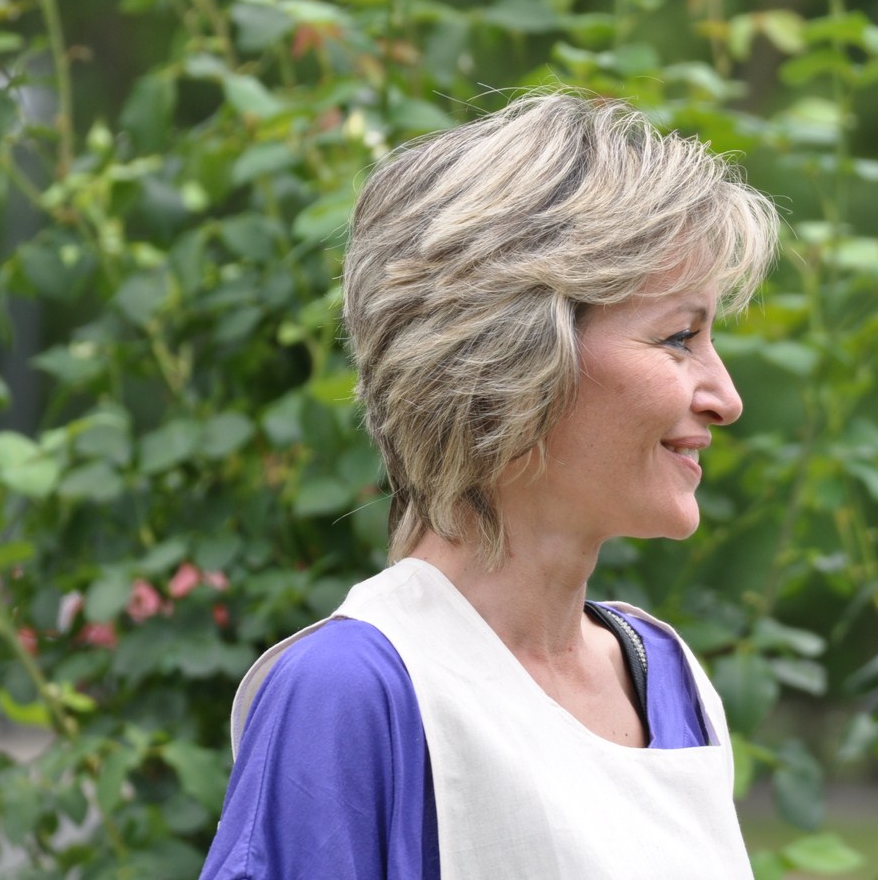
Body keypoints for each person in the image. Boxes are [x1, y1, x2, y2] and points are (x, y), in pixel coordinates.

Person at [201, 92, 778, 879]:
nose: (725, 396)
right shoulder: (353, 693)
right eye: (679, 337)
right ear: (516, 355)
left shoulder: (668, 679)